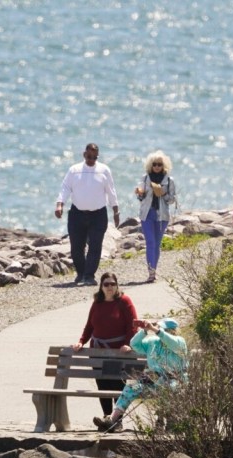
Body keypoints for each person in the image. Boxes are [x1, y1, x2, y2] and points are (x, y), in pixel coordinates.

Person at [93, 317, 188, 433]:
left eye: (162, 328)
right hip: (154, 379)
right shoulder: (153, 342)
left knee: (172, 389)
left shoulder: (180, 341)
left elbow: (172, 342)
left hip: (174, 379)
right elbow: (134, 344)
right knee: (130, 388)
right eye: (159, 327)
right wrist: (144, 331)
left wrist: (157, 331)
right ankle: (111, 420)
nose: (158, 329)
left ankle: (171, 422)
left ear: (172, 331)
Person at [71, 271, 138, 419]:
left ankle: (116, 419)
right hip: (98, 351)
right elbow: (89, 326)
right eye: (106, 284)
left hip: (118, 352)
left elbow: (132, 326)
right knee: (102, 385)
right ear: (101, 286)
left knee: (117, 385)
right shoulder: (97, 302)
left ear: (117, 285)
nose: (110, 287)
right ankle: (106, 417)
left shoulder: (124, 301)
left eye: (113, 284)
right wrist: (81, 341)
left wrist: (128, 344)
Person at [54, 143, 120, 286]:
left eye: (95, 157)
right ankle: (81, 273)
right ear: (84, 155)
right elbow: (65, 188)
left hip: (98, 215)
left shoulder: (104, 170)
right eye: (89, 156)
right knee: (76, 247)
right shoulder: (74, 170)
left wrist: (116, 210)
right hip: (77, 214)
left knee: (95, 246)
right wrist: (60, 204)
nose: (91, 159)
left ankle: (89, 276)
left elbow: (111, 191)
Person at [135, 151, 177, 283]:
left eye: (160, 164)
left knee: (157, 244)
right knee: (150, 242)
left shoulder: (169, 181)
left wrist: (162, 194)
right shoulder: (145, 178)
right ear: (150, 165)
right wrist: (140, 193)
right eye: (155, 164)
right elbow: (140, 197)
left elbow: (172, 200)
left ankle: (154, 269)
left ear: (164, 165)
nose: (157, 167)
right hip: (147, 214)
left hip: (162, 216)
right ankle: (151, 272)